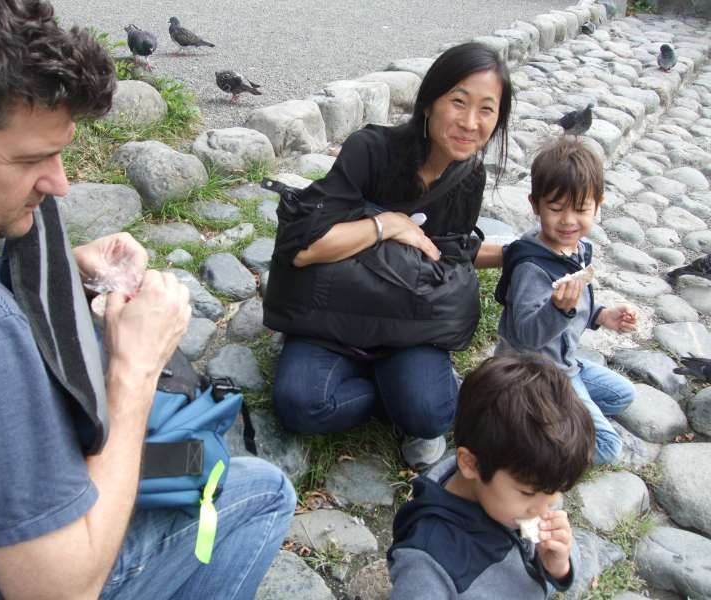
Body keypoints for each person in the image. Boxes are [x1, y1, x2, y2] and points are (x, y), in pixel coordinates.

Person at [0, 2, 295, 599]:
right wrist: (135, 368)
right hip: (18, 571)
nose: (61, 183)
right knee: (262, 488)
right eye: (32, 159)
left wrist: (61, 269)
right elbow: (61, 590)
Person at [268, 42, 513, 468]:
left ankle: (397, 383)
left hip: (405, 323)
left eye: (487, 110)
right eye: (458, 102)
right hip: (335, 318)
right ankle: (388, 389)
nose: (470, 122)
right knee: (299, 405)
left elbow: (447, 255)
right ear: (428, 102)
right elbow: (306, 249)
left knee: (431, 413)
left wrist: (519, 255)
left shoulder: (468, 178)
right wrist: (386, 225)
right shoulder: (371, 150)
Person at [388, 354, 594, 599]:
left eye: (554, 495)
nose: (542, 510)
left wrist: (558, 567)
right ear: (470, 464)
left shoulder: (519, 490)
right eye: (528, 493)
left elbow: (553, 563)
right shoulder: (428, 565)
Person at [494, 138, 637, 465]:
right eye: (556, 209)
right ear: (535, 204)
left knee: (622, 394)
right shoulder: (532, 266)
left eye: (582, 209)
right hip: (531, 372)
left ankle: (560, 416)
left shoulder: (579, 247)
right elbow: (528, 335)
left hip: (565, 362)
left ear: (598, 205)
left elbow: (576, 306)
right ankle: (523, 430)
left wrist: (602, 315)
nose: (569, 221)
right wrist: (559, 310)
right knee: (606, 447)